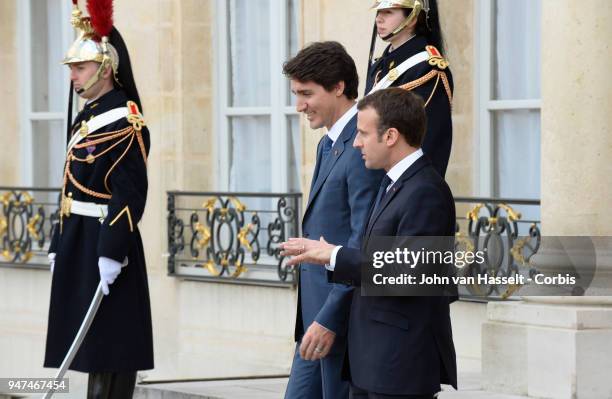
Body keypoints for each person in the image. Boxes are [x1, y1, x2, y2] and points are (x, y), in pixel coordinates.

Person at [281, 88, 457, 398]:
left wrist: (333, 255)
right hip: (372, 362)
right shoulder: (393, 183)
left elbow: (406, 274)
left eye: (363, 133)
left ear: (390, 136)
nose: (357, 142)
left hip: (398, 366)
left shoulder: (426, 190)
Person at [44, 1, 153, 397]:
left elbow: (129, 195)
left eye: (80, 67)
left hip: (107, 242)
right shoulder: (88, 115)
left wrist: (111, 250)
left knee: (112, 347)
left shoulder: (125, 120)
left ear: (105, 68)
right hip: (80, 238)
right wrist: (60, 241)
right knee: (90, 350)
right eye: (72, 68)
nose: (73, 75)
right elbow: (68, 186)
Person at [282, 41, 384, 398]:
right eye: (296, 94)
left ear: (339, 87)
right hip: (315, 318)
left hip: (338, 321)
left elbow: (361, 243)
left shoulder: (361, 147)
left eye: (307, 93)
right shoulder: (329, 143)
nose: (299, 106)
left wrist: (329, 318)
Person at [366, 0, 453, 177]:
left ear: (412, 17)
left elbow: (428, 143)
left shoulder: (428, 69)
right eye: (379, 12)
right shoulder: (380, 66)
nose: (379, 19)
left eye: (388, 12)